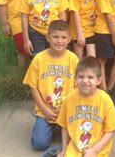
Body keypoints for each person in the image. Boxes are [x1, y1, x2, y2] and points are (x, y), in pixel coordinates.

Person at [23, 20, 79, 154]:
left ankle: (60, 127)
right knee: (39, 144)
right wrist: (44, 109)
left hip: (67, 110)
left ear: (69, 39)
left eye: (63, 37)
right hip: (46, 111)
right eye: (56, 37)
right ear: (48, 38)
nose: (59, 41)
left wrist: (65, 107)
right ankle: (50, 127)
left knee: (78, 142)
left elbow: (78, 87)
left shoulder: (73, 59)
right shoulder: (39, 59)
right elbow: (33, 86)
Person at [57, 56, 115, 157]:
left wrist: (94, 150)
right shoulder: (68, 99)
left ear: (99, 80)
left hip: (98, 149)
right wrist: (64, 149)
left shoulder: (105, 100)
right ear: (75, 79)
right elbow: (64, 126)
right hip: (75, 147)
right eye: (81, 77)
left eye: (90, 77)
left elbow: (111, 130)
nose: (85, 81)